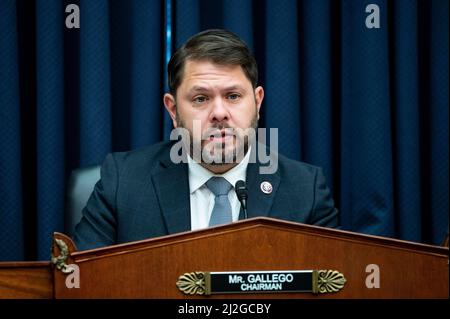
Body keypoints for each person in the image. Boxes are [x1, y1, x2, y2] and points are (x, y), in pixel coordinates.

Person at [73, 29, 339, 250]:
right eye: (201, 99)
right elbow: (83, 283)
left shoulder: (307, 191)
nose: (220, 113)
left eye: (233, 96)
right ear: (173, 110)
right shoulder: (122, 182)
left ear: (257, 102)